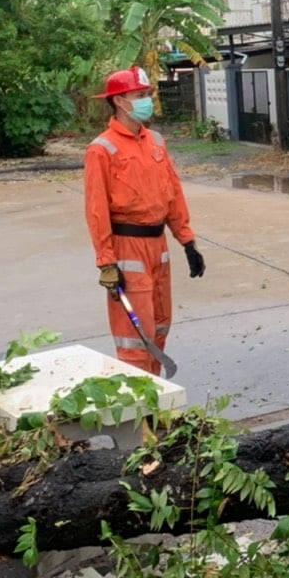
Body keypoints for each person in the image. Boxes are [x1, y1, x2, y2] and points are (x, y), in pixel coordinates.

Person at [83, 66, 206, 375]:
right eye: (140, 96)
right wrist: (107, 262)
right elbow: (97, 210)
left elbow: (173, 194)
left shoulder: (156, 142)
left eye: (147, 95)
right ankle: (141, 413)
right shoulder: (102, 149)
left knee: (161, 326)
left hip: (158, 246)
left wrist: (187, 242)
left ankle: (156, 401)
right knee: (136, 338)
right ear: (121, 101)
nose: (147, 101)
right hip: (128, 249)